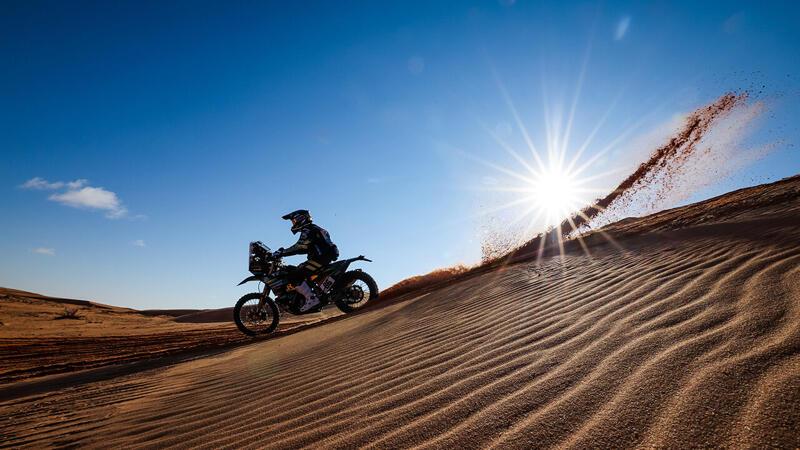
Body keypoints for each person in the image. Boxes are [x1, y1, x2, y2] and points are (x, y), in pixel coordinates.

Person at [272, 210, 339, 312]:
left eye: (294, 221)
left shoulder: (308, 230)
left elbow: (300, 247)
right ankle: (314, 293)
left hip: (320, 259)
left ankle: (312, 299)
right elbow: (307, 247)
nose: (293, 224)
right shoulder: (314, 228)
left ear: (301, 219)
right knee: (299, 269)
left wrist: (282, 253)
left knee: (294, 275)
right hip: (324, 258)